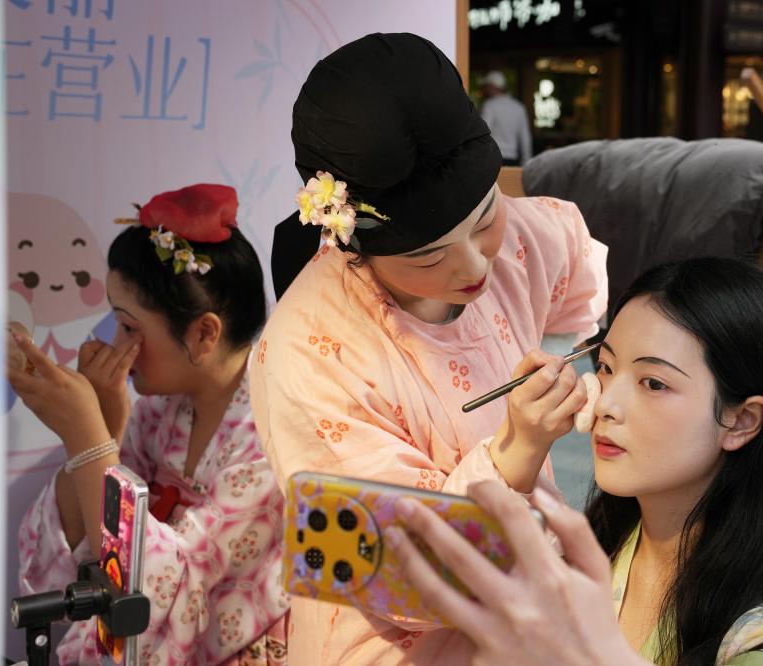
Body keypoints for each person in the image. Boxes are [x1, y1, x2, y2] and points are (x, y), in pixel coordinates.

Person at [251, 33, 608, 664]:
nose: (475, 267)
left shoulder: (521, 239)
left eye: (485, 220)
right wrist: (517, 452)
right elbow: (384, 570)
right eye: (427, 256)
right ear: (351, 241)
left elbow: (582, 286)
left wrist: (599, 368)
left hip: (532, 627)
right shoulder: (303, 356)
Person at [390, 257, 763, 665]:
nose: (605, 403)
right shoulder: (610, 546)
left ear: (742, 420)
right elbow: (428, 587)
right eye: (605, 367)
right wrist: (521, 442)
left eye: (653, 383)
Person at [11, 184, 289, 665]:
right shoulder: (159, 412)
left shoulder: (274, 432)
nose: (114, 343)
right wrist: (104, 430)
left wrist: (89, 439)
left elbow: (166, 598)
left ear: (203, 333)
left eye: (129, 327)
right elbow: (74, 567)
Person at [478, 70, 533, 166]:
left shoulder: (490, 105)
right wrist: (526, 162)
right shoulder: (519, 107)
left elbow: (482, 133)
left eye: (486, 86)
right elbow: (525, 137)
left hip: (492, 158)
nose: (484, 89)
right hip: (512, 159)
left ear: (492, 86)